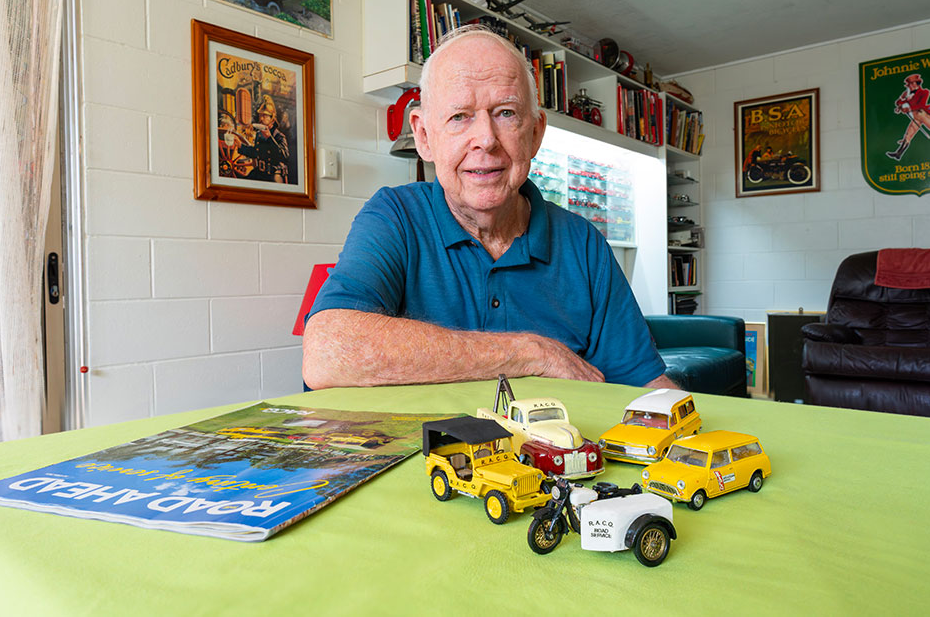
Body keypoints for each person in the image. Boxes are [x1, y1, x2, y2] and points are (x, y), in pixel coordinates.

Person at [302, 26, 676, 391]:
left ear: (535, 133)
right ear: (423, 136)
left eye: (506, 113)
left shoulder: (584, 244)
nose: (485, 139)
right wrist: (531, 354)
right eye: (459, 116)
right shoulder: (394, 216)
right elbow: (327, 353)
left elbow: (646, 387)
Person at [886, 73, 930, 160]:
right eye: (908, 85)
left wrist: (908, 108)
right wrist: (902, 99)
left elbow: (921, 105)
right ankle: (898, 154)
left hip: (923, 114)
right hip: (916, 117)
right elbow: (898, 103)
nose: (909, 86)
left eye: (910, 84)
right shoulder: (907, 94)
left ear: (916, 84)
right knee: (908, 136)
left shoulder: (924, 92)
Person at [240, 95, 290, 183]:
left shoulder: (279, 136)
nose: (261, 119)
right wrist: (240, 146)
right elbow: (256, 152)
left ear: (272, 120)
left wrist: (269, 138)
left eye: (265, 116)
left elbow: (284, 156)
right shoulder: (259, 134)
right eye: (260, 115)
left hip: (274, 175)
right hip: (259, 173)